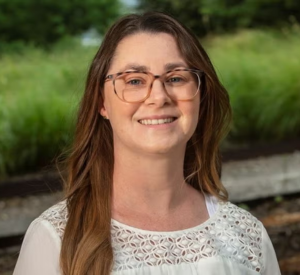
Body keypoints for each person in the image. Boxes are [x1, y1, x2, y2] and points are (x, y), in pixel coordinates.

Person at [13, 11, 281, 275]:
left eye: (176, 78)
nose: (158, 96)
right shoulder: (56, 239)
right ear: (101, 102)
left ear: (201, 96)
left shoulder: (247, 237)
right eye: (135, 81)